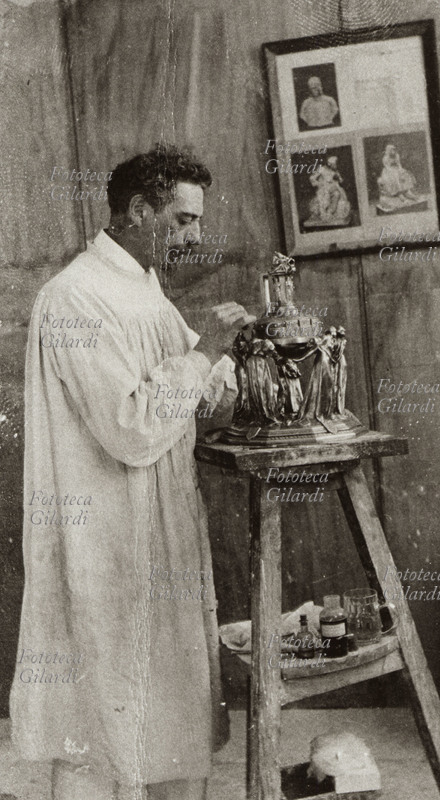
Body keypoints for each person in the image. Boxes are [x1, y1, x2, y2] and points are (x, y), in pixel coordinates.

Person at [9, 144, 254, 800]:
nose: (196, 235)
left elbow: (188, 399)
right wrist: (202, 352)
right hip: (106, 544)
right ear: (140, 209)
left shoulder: (142, 287)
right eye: (182, 220)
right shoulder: (76, 296)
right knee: (106, 724)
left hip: (159, 535)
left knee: (170, 718)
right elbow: (133, 425)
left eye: (197, 221)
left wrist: (228, 368)